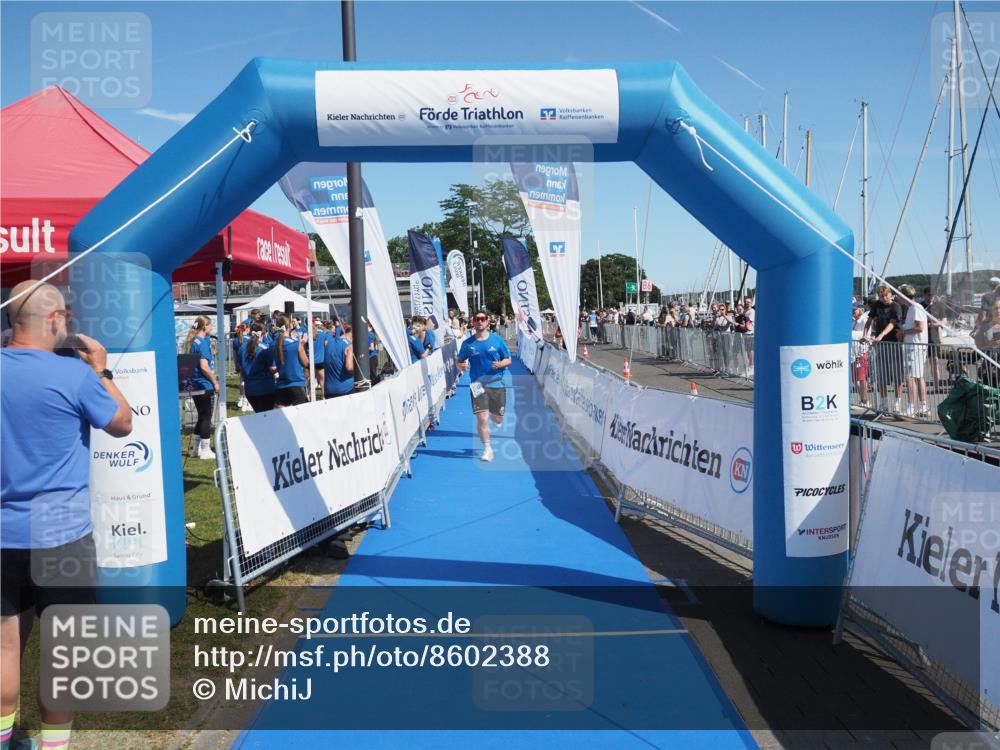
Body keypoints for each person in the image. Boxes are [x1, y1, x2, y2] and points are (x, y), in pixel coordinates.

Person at [2, 281, 132, 750]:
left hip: (4, 534)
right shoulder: (74, 374)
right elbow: (122, 423)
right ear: (55, 319)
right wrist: (102, 369)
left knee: (4, 647)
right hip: (63, 536)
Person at [457, 311, 512, 462]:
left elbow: (508, 359)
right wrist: (461, 366)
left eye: (483, 319)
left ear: (488, 321)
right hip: (476, 384)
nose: (480, 321)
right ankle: (488, 449)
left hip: (496, 383)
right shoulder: (467, 344)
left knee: (497, 419)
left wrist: (500, 364)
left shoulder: (497, 340)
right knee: (482, 418)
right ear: (473, 322)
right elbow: (459, 361)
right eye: (477, 319)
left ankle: (497, 417)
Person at [864, 285, 904, 413]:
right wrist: (865, 334)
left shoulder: (896, 306)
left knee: (897, 375)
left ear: (890, 294)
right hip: (880, 344)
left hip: (894, 343)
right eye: (882, 296)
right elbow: (869, 320)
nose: (884, 298)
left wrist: (881, 335)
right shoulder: (877, 305)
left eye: (886, 295)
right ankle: (884, 402)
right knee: (882, 375)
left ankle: (897, 403)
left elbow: (892, 323)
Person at [185, 316, 219, 459]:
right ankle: (205, 450)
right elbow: (204, 367)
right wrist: (215, 382)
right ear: (205, 327)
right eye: (210, 325)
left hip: (195, 383)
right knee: (206, 416)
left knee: (201, 416)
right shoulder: (202, 343)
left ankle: (196, 449)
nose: (212, 328)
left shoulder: (194, 341)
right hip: (204, 384)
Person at [897, 284, 929, 417]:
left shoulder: (915, 308)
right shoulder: (913, 308)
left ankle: (911, 408)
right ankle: (923, 406)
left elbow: (920, 328)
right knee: (918, 377)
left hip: (915, 347)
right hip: (915, 347)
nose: (897, 297)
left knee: (911, 377)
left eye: (899, 295)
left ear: (904, 296)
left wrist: (903, 332)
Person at [238, 323, 277, 412]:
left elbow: (241, 367)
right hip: (265, 389)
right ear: (263, 334)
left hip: (250, 390)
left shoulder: (242, 348)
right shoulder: (265, 348)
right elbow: (272, 369)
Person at [272, 315, 309, 407]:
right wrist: (302, 346)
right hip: (296, 383)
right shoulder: (295, 343)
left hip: (280, 385)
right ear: (289, 326)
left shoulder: (273, 344)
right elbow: (306, 363)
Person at [324, 324, 355, 397]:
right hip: (346, 389)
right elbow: (349, 367)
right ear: (351, 334)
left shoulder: (329, 343)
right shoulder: (349, 346)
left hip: (329, 390)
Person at [851, 303, 871, 407]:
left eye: (854, 310)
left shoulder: (864, 320)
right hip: (853, 353)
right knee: (855, 378)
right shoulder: (853, 321)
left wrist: (851, 334)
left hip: (862, 352)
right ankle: (862, 399)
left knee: (862, 378)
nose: (852, 312)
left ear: (860, 310)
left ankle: (866, 400)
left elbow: (867, 335)